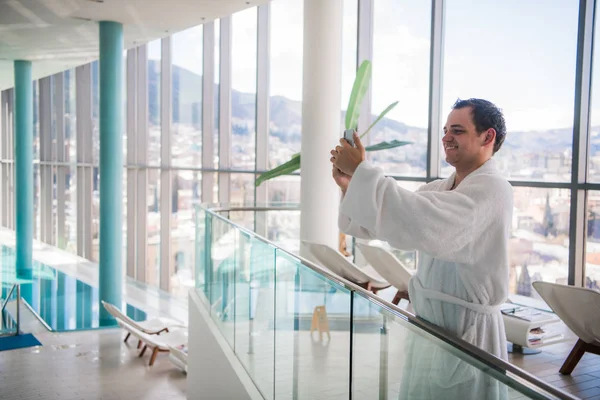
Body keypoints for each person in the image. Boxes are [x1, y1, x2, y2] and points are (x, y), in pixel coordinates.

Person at [329, 98, 513, 361]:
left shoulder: (495, 190)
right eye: (445, 130)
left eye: (457, 131)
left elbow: (424, 222)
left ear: (488, 137)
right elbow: (393, 219)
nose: (446, 137)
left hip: (468, 331)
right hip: (429, 324)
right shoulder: (437, 189)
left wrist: (362, 172)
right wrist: (350, 185)